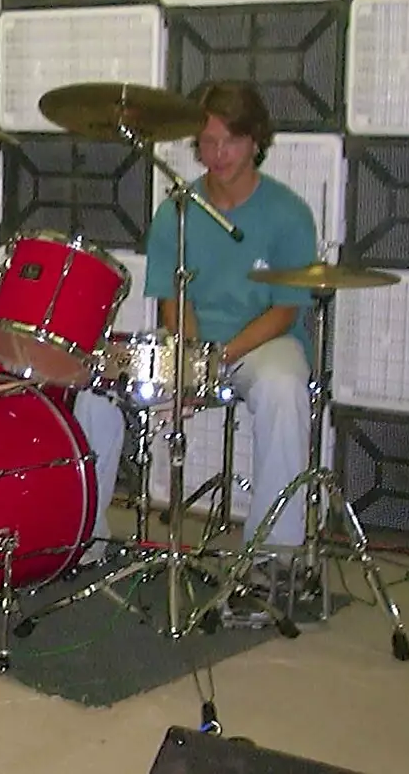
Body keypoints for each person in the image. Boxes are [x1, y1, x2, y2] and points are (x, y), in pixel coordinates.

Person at [74, 81, 317, 555]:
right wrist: (189, 362)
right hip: (189, 341)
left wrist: (220, 358)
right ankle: (84, 538)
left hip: (261, 342)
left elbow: (286, 309)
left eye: (232, 140)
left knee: (285, 388)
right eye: (208, 141)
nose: (218, 153)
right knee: (96, 388)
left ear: (256, 141)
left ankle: (274, 553)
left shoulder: (289, 213)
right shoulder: (176, 211)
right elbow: (173, 300)